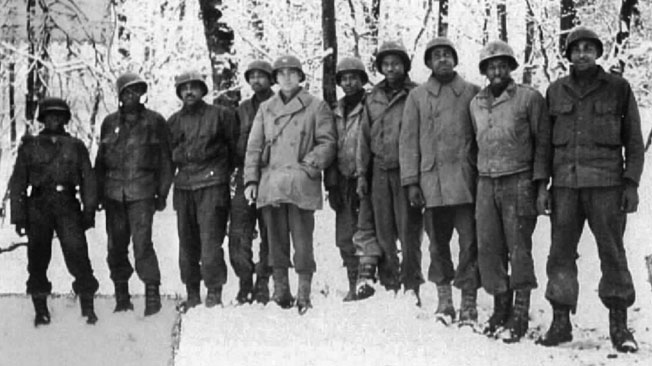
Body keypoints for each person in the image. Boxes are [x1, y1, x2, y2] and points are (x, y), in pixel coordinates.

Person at [536, 26, 644, 353]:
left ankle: (619, 325)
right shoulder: (555, 91)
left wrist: (631, 183)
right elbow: (543, 145)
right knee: (560, 254)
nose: (582, 53)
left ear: (598, 52)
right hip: (566, 186)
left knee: (612, 253)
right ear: (568, 54)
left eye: (589, 48)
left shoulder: (618, 88)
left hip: (607, 186)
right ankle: (560, 321)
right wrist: (542, 186)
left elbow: (634, 142)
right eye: (576, 48)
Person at [243, 54, 336, 314]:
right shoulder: (266, 108)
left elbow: (327, 142)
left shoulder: (316, 106)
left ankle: (304, 293)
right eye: (281, 73)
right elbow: (254, 147)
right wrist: (251, 179)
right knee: (275, 240)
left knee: (302, 241)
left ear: (300, 76)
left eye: (291, 73)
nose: (286, 77)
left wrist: (308, 166)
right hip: (271, 182)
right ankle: (280, 291)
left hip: (299, 182)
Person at [469, 40, 548, 342]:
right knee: (489, 248)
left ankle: (520, 313)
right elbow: (472, 144)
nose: (497, 70)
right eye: (491, 66)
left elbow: (542, 145)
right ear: (485, 71)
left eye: (502, 64)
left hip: (519, 180)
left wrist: (540, 186)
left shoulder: (529, 98)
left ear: (512, 68)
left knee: (519, 247)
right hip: (486, 181)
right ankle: (500, 307)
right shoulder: (476, 103)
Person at [400, 37, 481, 324]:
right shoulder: (418, 97)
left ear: (455, 59)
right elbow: (408, 143)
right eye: (436, 56)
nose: (442, 60)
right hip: (431, 184)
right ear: (429, 63)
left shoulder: (473, 93)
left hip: (465, 183)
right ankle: (445, 301)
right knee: (437, 244)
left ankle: (469, 302)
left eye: (447, 55)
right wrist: (411, 182)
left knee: (470, 243)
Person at [11, 97, 99, 326]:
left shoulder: (76, 146)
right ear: (42, 119)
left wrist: (89, 210)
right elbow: (18, 183)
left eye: (58, 116)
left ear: (65, 119)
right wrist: (19, 216)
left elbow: (88, 179)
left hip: (67, 204)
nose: (54, 120)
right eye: (49, 116)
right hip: (39, 205)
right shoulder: (30, 146)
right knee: (38, 257)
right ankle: (40, 309)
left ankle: (87, 306)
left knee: (77, 254)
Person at [95, 73, 173, 316]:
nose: (132, 97)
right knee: (116, 246)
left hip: (142, 191)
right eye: (127, 92)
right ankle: (122, 297)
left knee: (142, 245)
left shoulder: (155, 122)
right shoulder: (109, 123)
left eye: (136, 91)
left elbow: (166, 161)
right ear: (119, 96)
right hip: (113, 193)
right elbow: (101, 161)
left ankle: (152, 297)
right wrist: (97, 194)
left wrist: (161, 193)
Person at [355, 40, 423, 303]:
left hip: (407, 172)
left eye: (396, 62)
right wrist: (362, 174)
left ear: (404, 65)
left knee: (409, 231)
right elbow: (364, 138)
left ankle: (411, 284)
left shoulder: (416, 94)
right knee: (384, 231)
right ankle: (389, 281)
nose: (391, 67)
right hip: (379, 171)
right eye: (386, 63)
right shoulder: (373, 97)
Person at [167, 70, 238, 311]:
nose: (189, 91)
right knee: (187, 245)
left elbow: (234, 150)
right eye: (184, 88)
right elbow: (167, 156)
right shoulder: (173, 122)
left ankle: (214, 293)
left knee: (210, 243)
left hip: (212, 186)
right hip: (184, 187)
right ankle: (192, 293)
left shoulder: (220, 116)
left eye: (194, 87)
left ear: (202, 90)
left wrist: (219, 175)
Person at [228, 60, 275, 304]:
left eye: (262, 76)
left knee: (270, 230)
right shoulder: (242, 110)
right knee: (238, 231)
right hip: (244, 175)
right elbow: (234, 143)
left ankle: (263, 281)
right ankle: (245, 280)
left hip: (271, 175)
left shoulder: (280, 106)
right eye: (252, 76)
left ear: (271, 79)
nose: (256, 81)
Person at [324, 56, 369, 301]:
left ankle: (369, 283)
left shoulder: (371, 104)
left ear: (362, 80)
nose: (349, 82)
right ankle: (353, 282)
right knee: (344, 235)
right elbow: (330, 146)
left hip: (365, 178)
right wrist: (331, 182)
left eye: (354, 77)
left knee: (367, 233)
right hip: (342, 179)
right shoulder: (335, 111)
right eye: (345, 78)